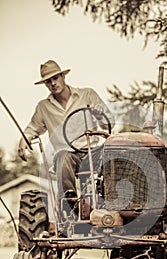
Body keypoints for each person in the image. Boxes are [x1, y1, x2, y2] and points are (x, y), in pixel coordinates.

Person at [18, 60, 113, 208]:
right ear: (45, 85)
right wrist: (24, 140)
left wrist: (99, 115)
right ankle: (70, 201)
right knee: (62, 156)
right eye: (48, 81)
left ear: (63, 76)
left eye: (55, 78)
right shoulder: (43, 107)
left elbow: (109, 123)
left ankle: (113, 200)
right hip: (68, 157)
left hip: (92, 151)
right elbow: (33, 127)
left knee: (113, 151)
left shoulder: (87, 95)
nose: (53, 84)